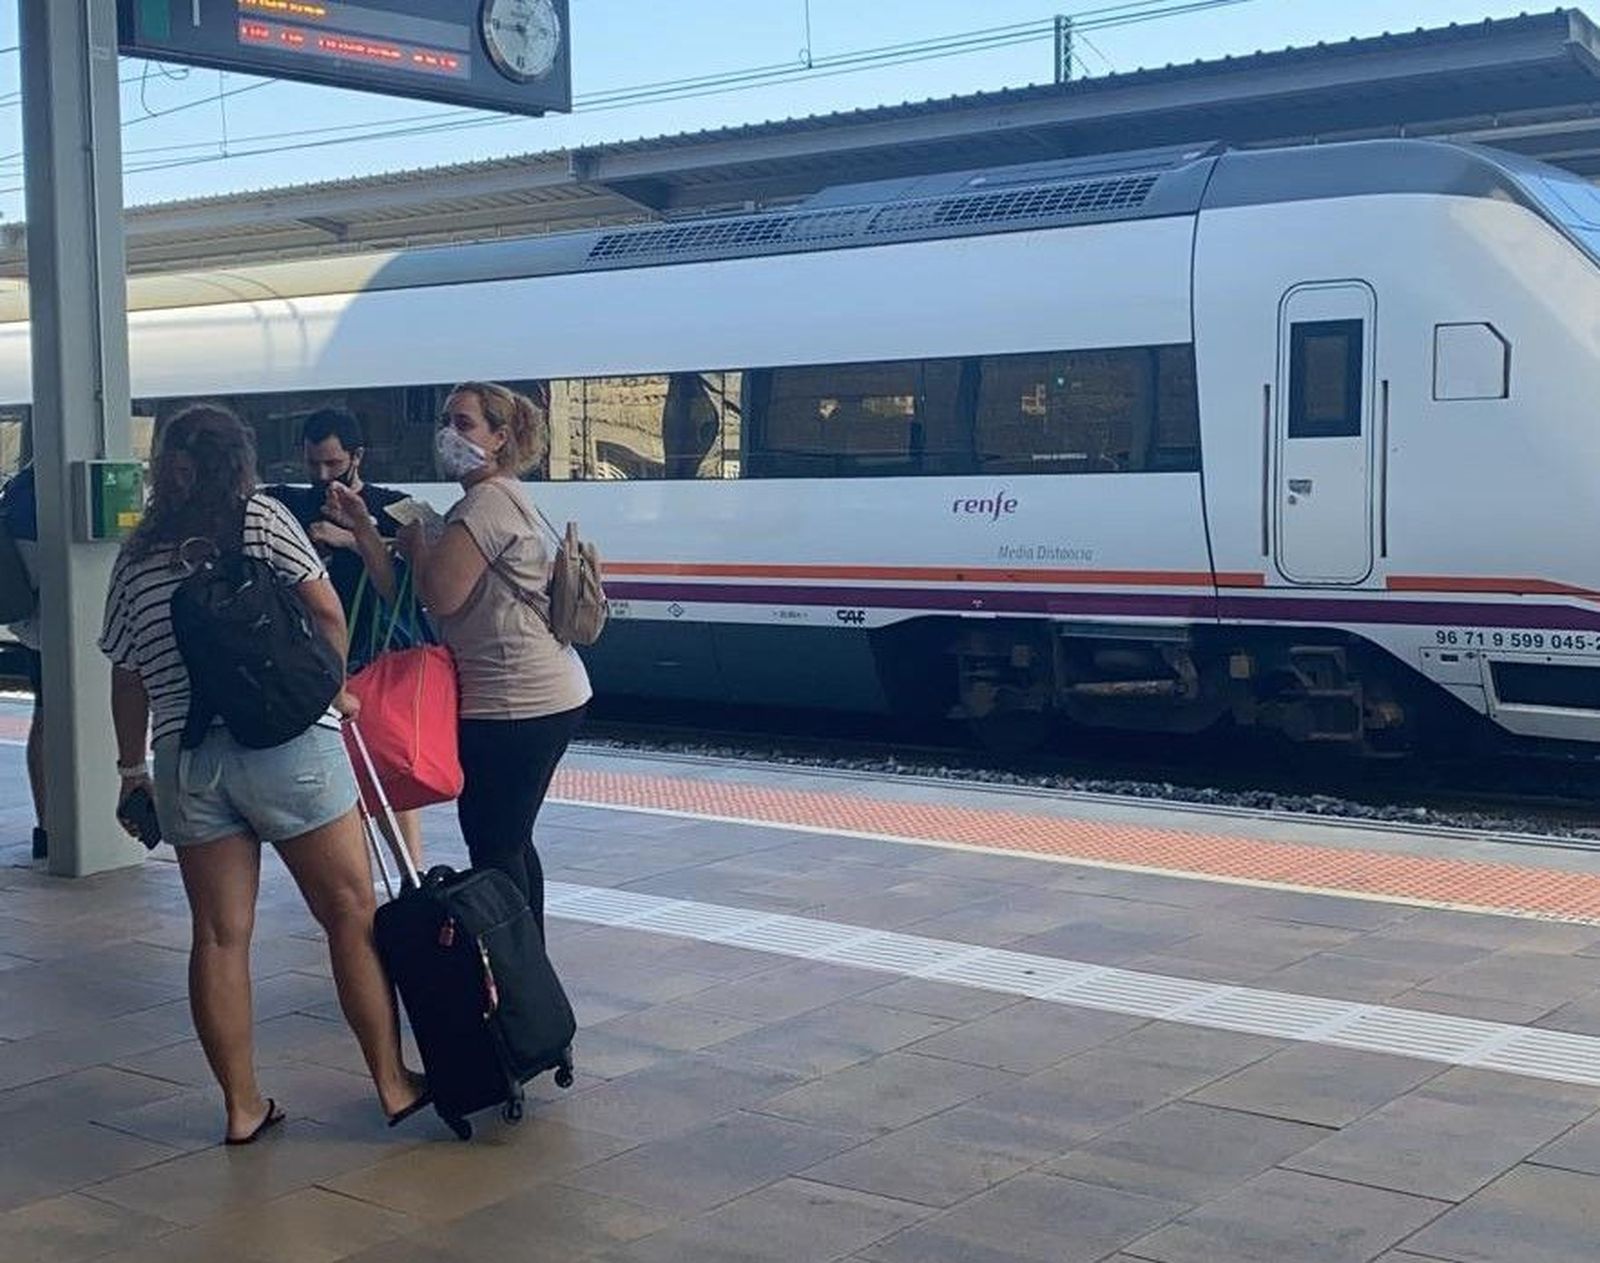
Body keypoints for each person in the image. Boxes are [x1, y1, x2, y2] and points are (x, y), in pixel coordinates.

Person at [100, 403, 427, 1143]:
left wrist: (130, 770)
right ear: (241, 460)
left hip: (190, 758)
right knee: (350, 913)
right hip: (291, 746)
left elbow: (126, 675)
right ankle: (391, 1081)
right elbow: (328, 614)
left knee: (218, 936)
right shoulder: (264, 520)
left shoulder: (139, 553)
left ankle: (243, 1106)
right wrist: (328, 691)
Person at [333, 382, 589, 931]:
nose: (449, 434)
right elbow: (396, 591)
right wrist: (363, 526)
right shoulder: (491, 498)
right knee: (510, 839)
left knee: (494, 843)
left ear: (501, 437)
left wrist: (420, 544)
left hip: (517, 700)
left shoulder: (486, 503)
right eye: (446, 421)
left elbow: (438, 596)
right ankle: (527, 970)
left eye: (465, 423)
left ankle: (516, 980)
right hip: (532, 694)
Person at [267, 407, 425, 865]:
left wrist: (354, 537)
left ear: (357, 456)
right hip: (310, 658)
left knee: (387, 765)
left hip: (373, 656)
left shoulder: (393, 507)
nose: (321, 475)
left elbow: (398, 590)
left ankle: (409, 871)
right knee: (334, 773)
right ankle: (351, 870)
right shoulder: (286, 504)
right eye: (312, 464)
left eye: (333, 465)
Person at [1, 463, 44, 861]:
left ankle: (48, 824)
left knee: (43, 718)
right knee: (51, 718)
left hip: (32, 625)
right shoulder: (45, 493)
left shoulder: (18, 491)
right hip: (59, 628)